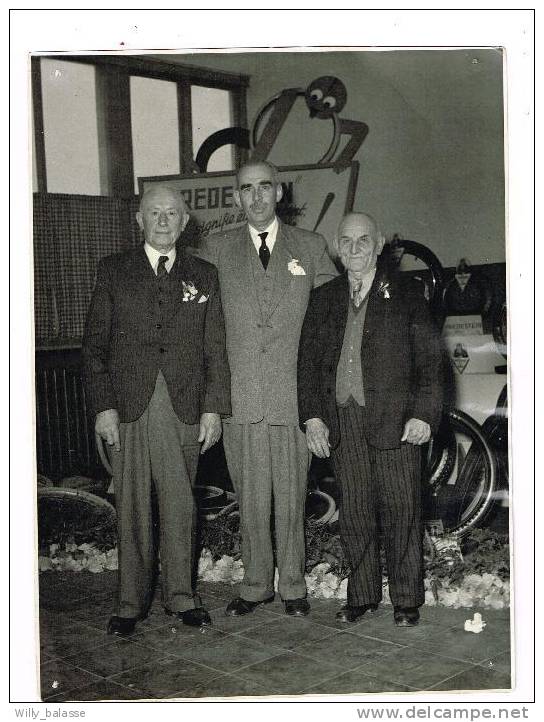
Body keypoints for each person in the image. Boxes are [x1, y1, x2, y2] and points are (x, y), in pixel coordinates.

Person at [82, 185, 231, 635]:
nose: (163, 220)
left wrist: (213, 409)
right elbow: (94, 349)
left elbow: (215, 349)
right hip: (128, 408)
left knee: (181, 504)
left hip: (183, 406)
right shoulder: (114, 270)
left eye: (172, 213)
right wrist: (103, 408)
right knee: (130, 505)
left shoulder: (204, 274)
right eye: (154, 213)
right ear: (139, 220)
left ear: (185, 223)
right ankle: (130, 602)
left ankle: (182, 596)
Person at [195, 160, 337, 617]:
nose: (256, 197)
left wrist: (321, 402)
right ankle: (255, 584)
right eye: (246, 189)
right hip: (242, 401)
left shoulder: (311, 246)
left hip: (294, 400)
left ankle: (293, 585)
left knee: (292, 499)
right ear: (236, 197)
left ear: (279, 193)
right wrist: (211, 401)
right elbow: (203, 329)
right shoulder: (215, 249)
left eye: (264, 188)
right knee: (250, 500)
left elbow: (332, 323)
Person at [297, 212, 443, 626]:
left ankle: (406, 599)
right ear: (337, 247)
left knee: (402, 508)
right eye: (347, 240)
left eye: (364, 240)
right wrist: (312, 418)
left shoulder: (408, 292)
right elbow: (307, 366)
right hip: (343, 419)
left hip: (397, 421)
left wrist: (423, 415)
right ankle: (360, 596)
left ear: (379, 244)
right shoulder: (323, 297)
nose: (356, 247)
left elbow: (432, 361)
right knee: (356, 510)